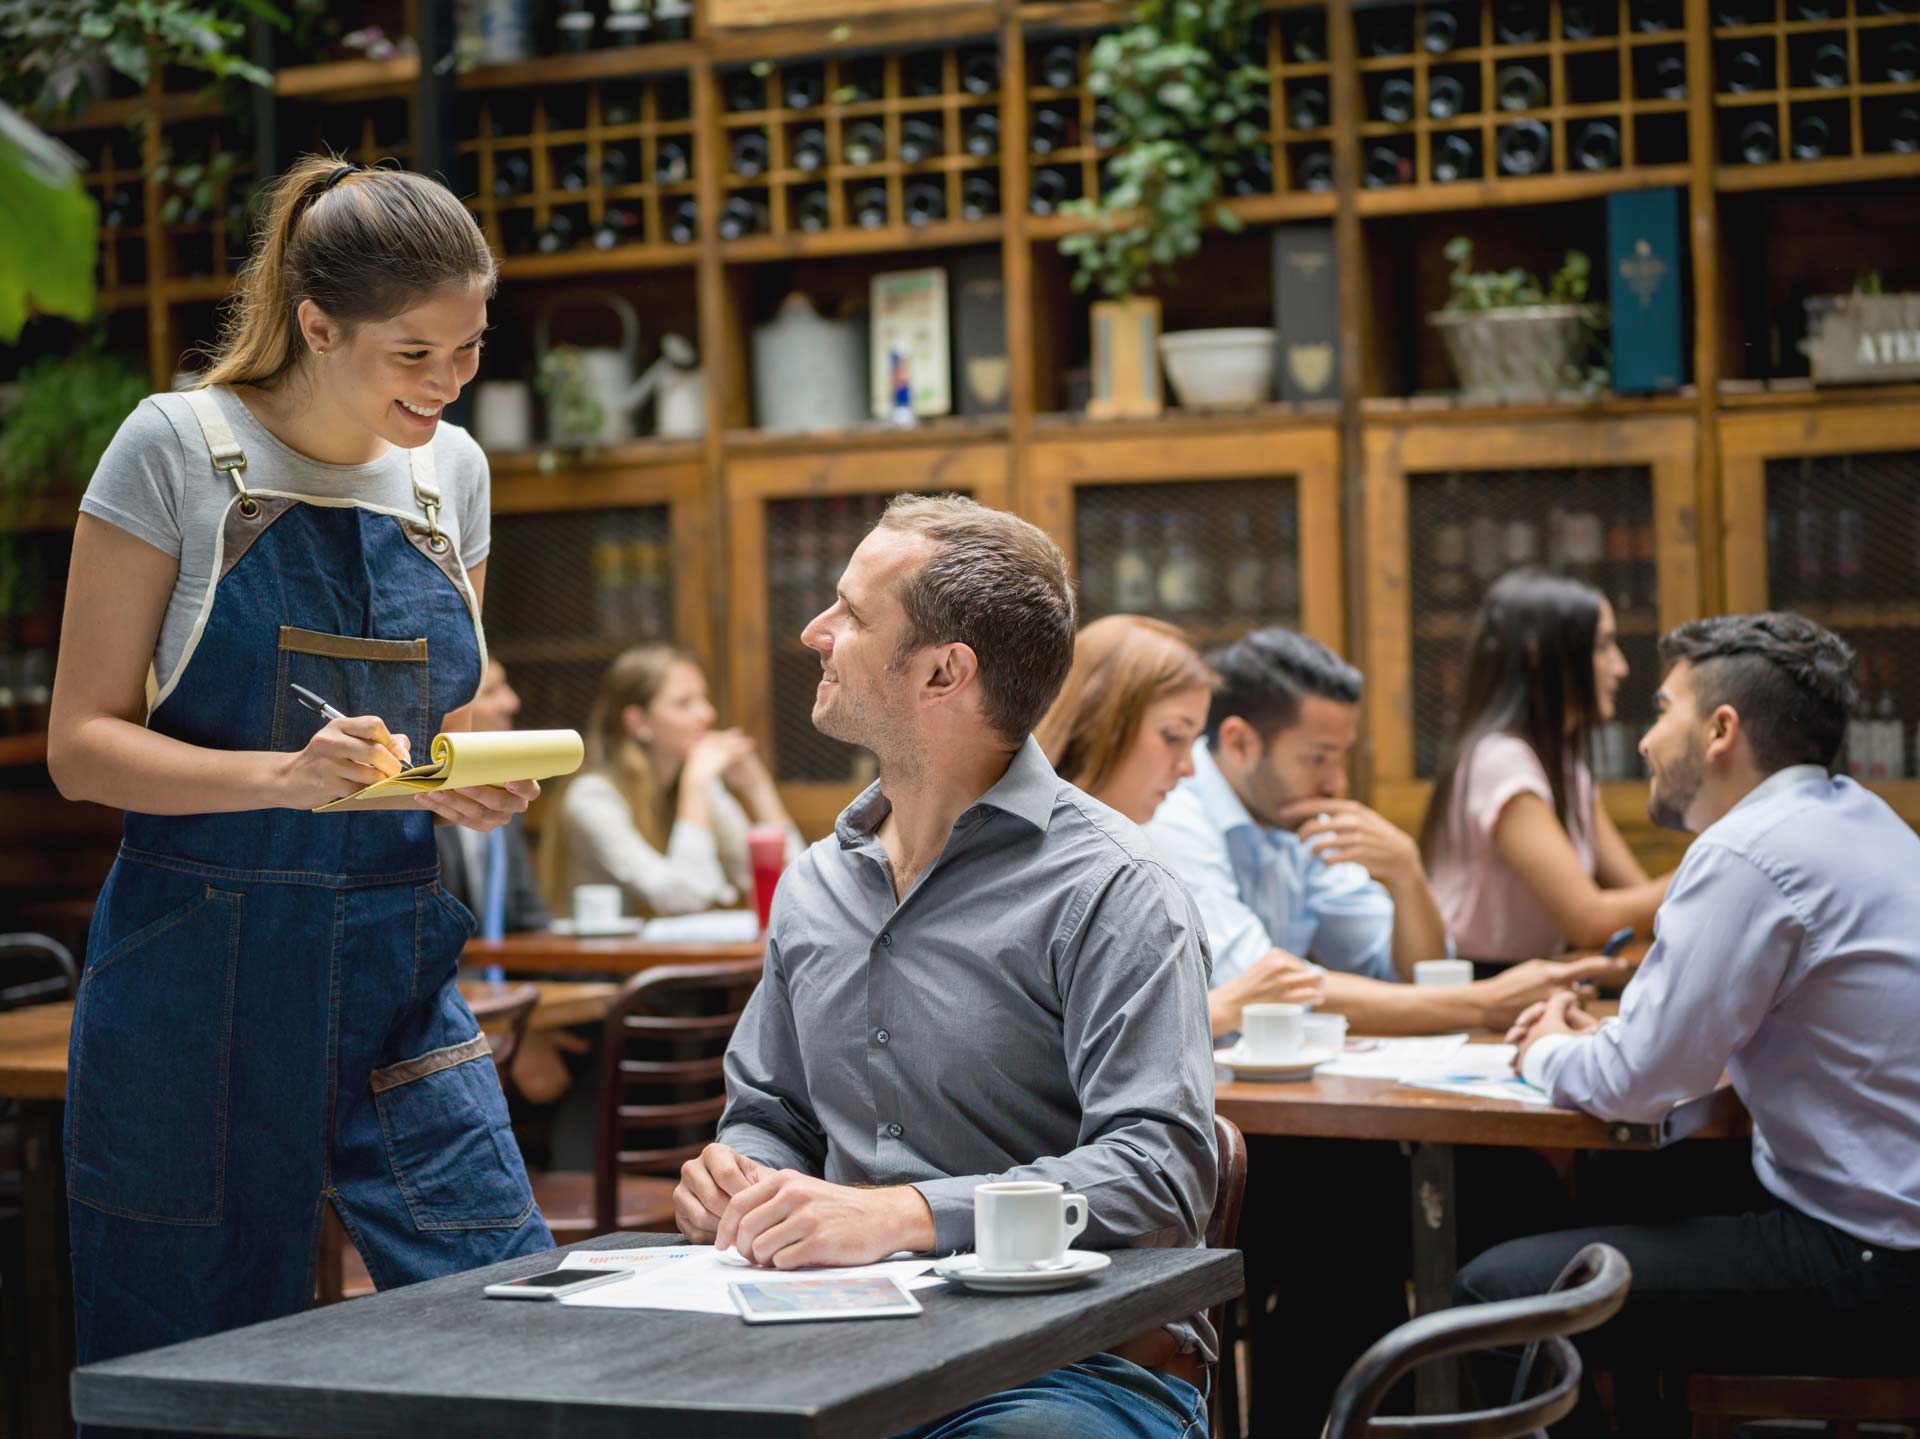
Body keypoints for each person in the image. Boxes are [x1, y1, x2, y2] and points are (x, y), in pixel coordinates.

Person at [48, 157, 551, 1386]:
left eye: (470, 349)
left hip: (397, 972)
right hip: (191, 984)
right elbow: (80, 745)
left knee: (525, 1316)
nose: (445, 387)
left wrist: (465, 780)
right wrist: (279, 774)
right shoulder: (176, 448)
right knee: (188, 1375)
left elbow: (448, 715)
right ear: (317, 324)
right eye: (413, 354)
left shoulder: (453, 476)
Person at [673, 496, 1219, 1437]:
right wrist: (741, 1178)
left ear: (940, 671)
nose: (816, 631)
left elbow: (1158, 1174)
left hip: (1065, 1368)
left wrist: (899, 1214)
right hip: (833, 1352)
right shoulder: (814, 885)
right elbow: (772, 1115)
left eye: (849, 612)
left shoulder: (1116, 889)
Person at [1461, 613, 1920, 1397]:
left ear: (1720, 728)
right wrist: (1612, 1047)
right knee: (1632, 1195)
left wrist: (1541, 1044)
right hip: (1881, 1219)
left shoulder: (1749, 849)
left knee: (1493, 1297)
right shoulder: (1867, 820)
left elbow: (1639, 1079)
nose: (1643, 739)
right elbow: (1675, 1052)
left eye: (1662, 709)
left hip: (1871, 1254)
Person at [1146, 627, 1630, 1039]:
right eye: (1318, 758)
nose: (1336, 783)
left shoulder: (1295, 817)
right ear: (1239, 742)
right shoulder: (1175, 817)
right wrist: (1482, 1003)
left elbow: (1402, 975)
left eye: (1341, 757)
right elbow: (1259, 991)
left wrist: (1406, 876)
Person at [1421, 568, 1670, 961]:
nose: (1620, 667)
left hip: (1532, 977)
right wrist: (1707, 871)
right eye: (1602, 647)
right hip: (1477, 982)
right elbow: (1587, 919)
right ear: (1540, 656)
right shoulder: (1501, 761)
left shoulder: (1566, 765)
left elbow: (1640, 899)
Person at [548, 645, 800, 918]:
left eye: (704, 699)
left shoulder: (696, 784)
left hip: (670, 956)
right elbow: (685, 897)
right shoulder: (592, 797)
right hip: (598, 959)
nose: (707, 714)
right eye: (684, 703)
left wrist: (758, 788)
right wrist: (697, 783)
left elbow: (795, 887)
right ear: (638, 722)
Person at [436, 658, 549, 934]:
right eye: (491, 692)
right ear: (448, 712)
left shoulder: (509, 790)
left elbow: (528, 918)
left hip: (503, 970)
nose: (512, 702)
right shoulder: (418, 799)